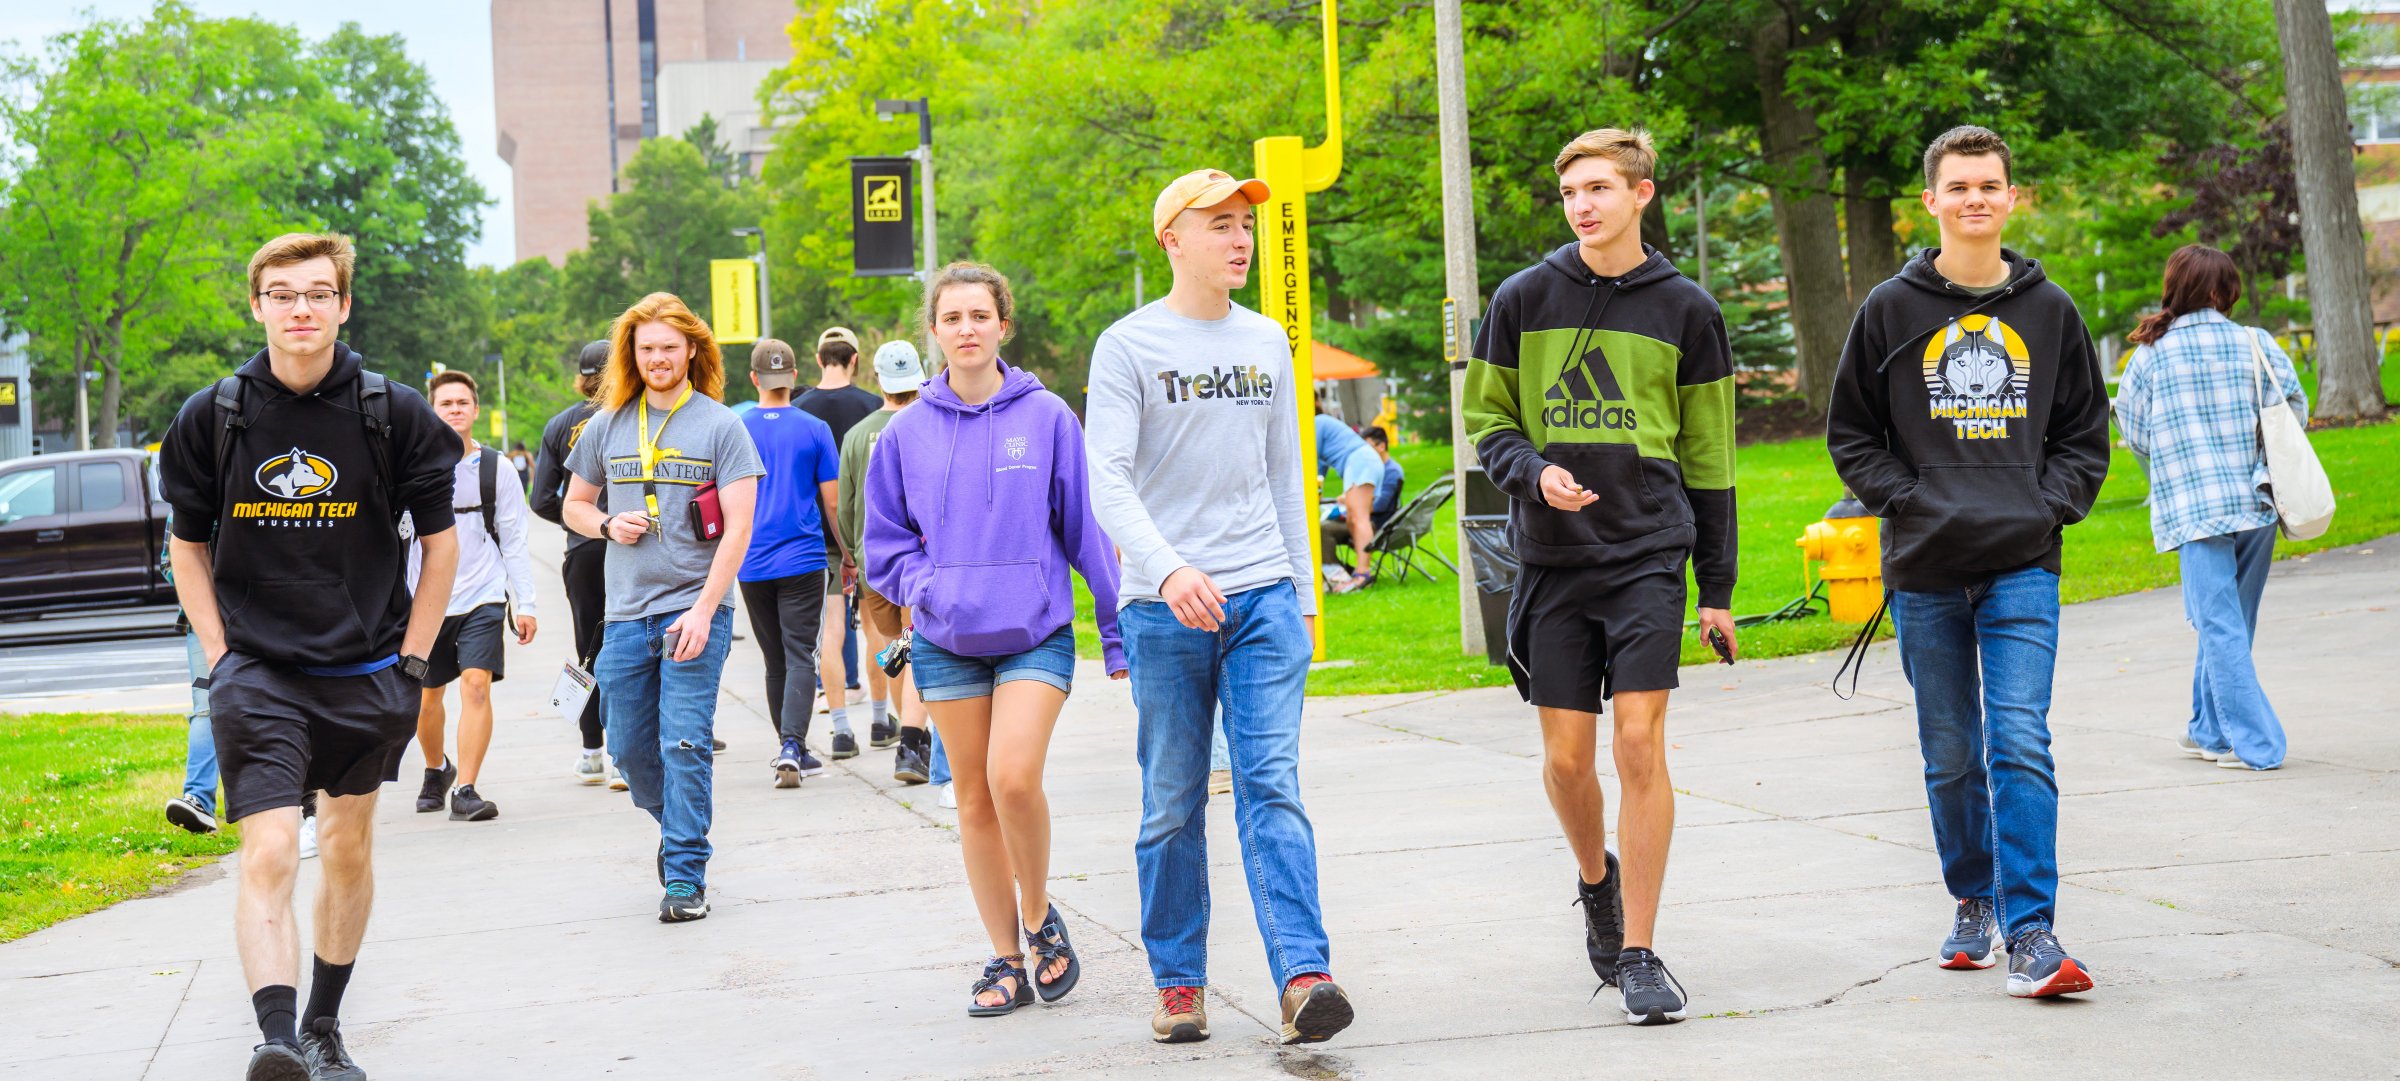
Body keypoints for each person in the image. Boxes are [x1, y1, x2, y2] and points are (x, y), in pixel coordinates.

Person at [158, 232, 462, 1079]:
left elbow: (439, 546)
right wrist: (219, 656)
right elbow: (186, 545)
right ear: (256, 304)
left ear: (343, 305)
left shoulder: (392, 412)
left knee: (348, 845)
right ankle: (276, 1039)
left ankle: (324, 1026)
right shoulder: (213, 415)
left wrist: (412, 660)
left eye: (318, 293)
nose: (301, 309)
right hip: (257, 672)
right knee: (267, 851)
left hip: (366, 671)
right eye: (283, 294)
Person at [1462, 128, 1739, 1026]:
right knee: (1567, 760)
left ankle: (1642, 952)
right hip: (1553, 561)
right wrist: (1533, 471)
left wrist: (1718, 588)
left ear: (1642, 194)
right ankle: (1596, 880)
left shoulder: (1687, 309)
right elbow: (1489, 420)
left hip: (1650, 553)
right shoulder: (1521, 298)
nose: (1582, 205)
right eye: (1570, 191)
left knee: (1638, 745)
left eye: (1598, 188)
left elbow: (1711, 456)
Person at [1827, 125, 2111, 998]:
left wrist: (2044, 505)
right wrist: (1908, 502)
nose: (1976, 198)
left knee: (2019, 739)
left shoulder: (2052, 311)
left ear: (2011, 197)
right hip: (1925, 569)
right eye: (1960, 186)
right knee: (1952, 751)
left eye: (1990, 184)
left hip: (2024, 561)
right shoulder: (1889, 309)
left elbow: (2082, 438)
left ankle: (2031, 929)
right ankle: (1972, 899)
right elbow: (1852, 435)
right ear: (1933, 201)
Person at [1086, 168, 1354, 1046]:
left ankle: (1305, 977)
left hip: (1263, 602)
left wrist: (1302, 598)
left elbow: (1285, 472)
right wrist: (1165, 571)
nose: (1240, 239)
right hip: (1165, 612)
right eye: (1220, 225)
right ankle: (1178, 984)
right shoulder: (1127, 346)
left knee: (1272, 783)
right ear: (1172, 238)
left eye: (1245, 224)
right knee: (1171, 799)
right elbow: (1108, 481)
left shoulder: (1268, 340)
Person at [866, 262, 1127, 1017]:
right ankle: (1005, 957)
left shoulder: (1047, 418)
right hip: (947, 639)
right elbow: (883, 541)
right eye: (952, 318)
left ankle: (1041, 917)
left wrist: (1114, 635)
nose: (967, 328)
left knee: (1013, 777)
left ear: (1003, 325)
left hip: (1033, 633)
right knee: (973, 796)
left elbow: (1085, 530)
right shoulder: (905, 433)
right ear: (934, 331)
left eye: (981, 315)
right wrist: (927, 587)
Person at [562, 292, 763, 923]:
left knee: (684, 742)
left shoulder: (721, 425)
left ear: (693, 351)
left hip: (693, 608)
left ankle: (684, 873)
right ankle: (678, 830)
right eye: (646, 349)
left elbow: (738, 528)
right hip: (624, 614)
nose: (658, 359)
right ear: (632, 354)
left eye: (669, 348)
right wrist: (604, 524)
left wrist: (705, 610)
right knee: (626, 748)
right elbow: (573, 504)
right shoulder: (608, 424)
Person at [2114, 244, 2307, 772]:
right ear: (2225, 291)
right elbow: (2293, 409)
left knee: (2219, 626)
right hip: (2260, 498)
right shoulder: (2255, 342)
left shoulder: (2152, 354)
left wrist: (2174, 456)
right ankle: (2209, 730)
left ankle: (2256, 746)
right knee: (2232, 624)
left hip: (2196, 508)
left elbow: (2132, 429)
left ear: (2174, 289)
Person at [409, 369, 540, 822]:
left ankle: (465, 788)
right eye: (446, 404)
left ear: (475, 410)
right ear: (433, 410)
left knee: (476, 686)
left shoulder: (496, 468)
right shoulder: (411, 465)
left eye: (463, 403)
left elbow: (514, 538)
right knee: (427, 699)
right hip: (425, 598)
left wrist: (526, 603)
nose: (455, 410)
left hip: (484, 593)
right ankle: (435, 768)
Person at [736, 338, 846, 786]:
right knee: (802, 653)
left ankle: (790, 745)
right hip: (803, 556)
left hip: (751, 560)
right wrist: (849, 555)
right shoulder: (816, 428)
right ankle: (792, 746)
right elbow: (833, 504)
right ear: (794, 377)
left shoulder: (736, 429)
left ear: (754, 378)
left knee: (774, 659)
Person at [839, 339, 934, 782]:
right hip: (923, 561)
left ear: (877, 379)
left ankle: (906, 734)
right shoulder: (932, 424)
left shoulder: (857, 435)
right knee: (921, 650)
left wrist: (851, 558)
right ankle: (915, 743)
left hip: (875, 564)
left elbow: (846, 507)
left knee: (894, 650)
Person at [531, 341, 622, 788]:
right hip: (633, 546)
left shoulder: (559, 424)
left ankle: (591, 753)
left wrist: (578, 522)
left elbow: (541, 499)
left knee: (590, 647)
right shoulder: (633, 418)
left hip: (583, 550)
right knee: (633, 646)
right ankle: (627, 754)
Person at [797, 327, 883, 755]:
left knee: (829, 633)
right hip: (873, 536)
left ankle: (841, 729)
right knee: (879, 632)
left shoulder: (799, 410)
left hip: (819, 537)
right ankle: (884, 719)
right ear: (854, 360)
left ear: (818, 360)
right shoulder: (872, 408)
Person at [1318, 423, 1406, 572]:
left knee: (1350, 521)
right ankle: (1347, 572)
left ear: (1382, 446)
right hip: (1372, 518)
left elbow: (1378, 506)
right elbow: (1319, 468)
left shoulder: (1392, 471)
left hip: (1379, 523)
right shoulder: (1378, 465)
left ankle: (1356, 573)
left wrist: (1348, 503)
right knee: (1350, 520)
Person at [1312, 404, 1382, 592]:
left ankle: (1363, 574)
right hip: (1364, 460)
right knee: (1353, 519)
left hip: (1359, 461)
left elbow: (1311, 459)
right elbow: (1319, 468)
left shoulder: (1315, 423)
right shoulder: (1324, 423)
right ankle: (1360, 572)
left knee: (1359, 519)